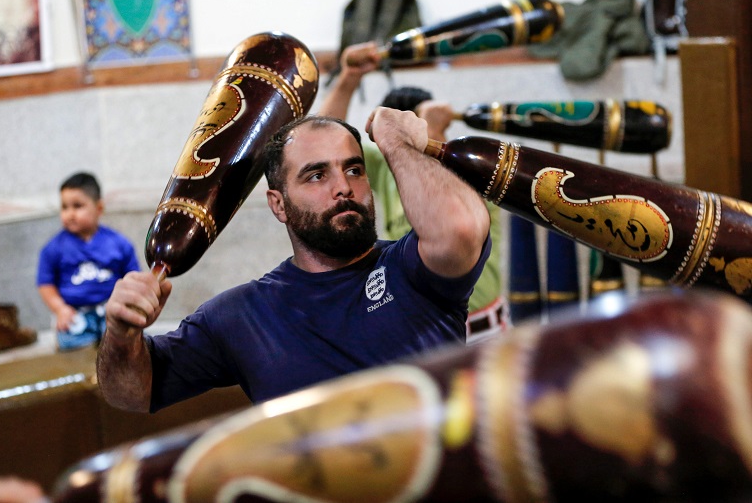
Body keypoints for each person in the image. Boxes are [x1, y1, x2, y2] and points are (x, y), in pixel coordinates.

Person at [98, 107, 491, 411]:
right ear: (278, 204)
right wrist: (121, 332)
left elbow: (461, 229)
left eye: (354, 169)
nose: (343, 188)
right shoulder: (242, 315)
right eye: (316, 175)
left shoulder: (410, 270)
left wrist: (397, 144)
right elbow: (132, 393)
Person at [319, 41, 510, 336]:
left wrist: (433, 134)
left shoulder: (471, 168)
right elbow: (326, 140)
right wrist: (349, 77)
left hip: (484, 331)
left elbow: (455, 221)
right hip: (423, 328)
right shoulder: (385, 166)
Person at [37, 172, 141, 351]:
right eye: (64, 207)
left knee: (126, 344)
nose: (70, 214)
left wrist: (129, 306)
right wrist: (60, 309)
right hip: (75, 313)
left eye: (77, 206)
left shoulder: (118, 243)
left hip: (112, 308)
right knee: (73, 348)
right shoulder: (54, 248)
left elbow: (132, 277)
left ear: (99, 208)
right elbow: (45, 283)